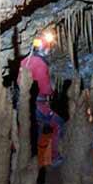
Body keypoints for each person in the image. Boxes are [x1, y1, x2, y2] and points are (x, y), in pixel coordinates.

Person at [20, 30, 64, 167]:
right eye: (48, 48)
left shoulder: (24, 61)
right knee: (58, 124)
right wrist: (52, 91)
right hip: (40, 105)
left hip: (26, 104)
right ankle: (55, 158)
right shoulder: (40, 64)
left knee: (35, 129)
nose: (49, 51)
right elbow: (45, 88)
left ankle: (31, 162)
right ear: (44, 49)